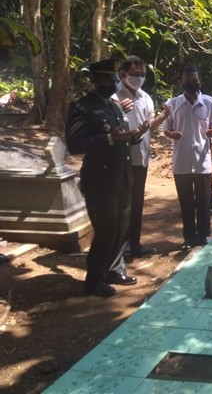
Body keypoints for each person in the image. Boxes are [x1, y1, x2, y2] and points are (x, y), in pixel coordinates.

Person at [66, 58, 147, 296]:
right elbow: (74, 145)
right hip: (100, 180)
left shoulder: (114, 106)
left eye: (113, 79)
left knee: (122, 226)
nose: (111, 84)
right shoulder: (82, 108)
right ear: (94, 80)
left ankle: (113, 270)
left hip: (122, 176)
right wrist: (109, 139)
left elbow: (121, 136)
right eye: (105, 79)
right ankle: (94, 280)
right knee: (106, 229)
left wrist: (135, 136)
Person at [112, 56, 169, 260]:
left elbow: (148, 124)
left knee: (136, 203)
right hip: (121, 159)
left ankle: (134, 244)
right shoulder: (114, 97)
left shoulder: (145, 97)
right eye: (135, 74)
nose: (139, 78)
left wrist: (163, 117)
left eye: (142, 75)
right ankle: (121, 248)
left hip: (141, 156)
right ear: (123, 74)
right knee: (122, 203)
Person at [161, 65, 212, 250]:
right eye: (187, 81)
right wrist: (172, 134)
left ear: (199, 81)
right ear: (181, 82)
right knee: (186, 202)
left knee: (203, 203)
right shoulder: (172, 104)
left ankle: (204, 236)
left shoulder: (209, 102)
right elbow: (165, 129)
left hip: (202, 160)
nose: (191, 84)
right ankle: (189, 238)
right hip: (182, 161)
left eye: (194, 81)